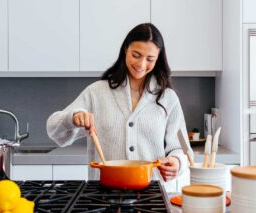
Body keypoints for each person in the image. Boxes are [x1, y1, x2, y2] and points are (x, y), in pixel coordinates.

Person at [47, 23, 189, 183]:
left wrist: (176, 162)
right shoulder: (97, 92)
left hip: (153, 195)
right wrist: (72, 118)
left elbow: (180, 148)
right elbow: (53, 130)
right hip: (104, 195)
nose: (142, 65)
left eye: (150, 59)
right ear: (125, 50)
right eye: (136, 55)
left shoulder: (168, 98)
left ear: (158, 59)